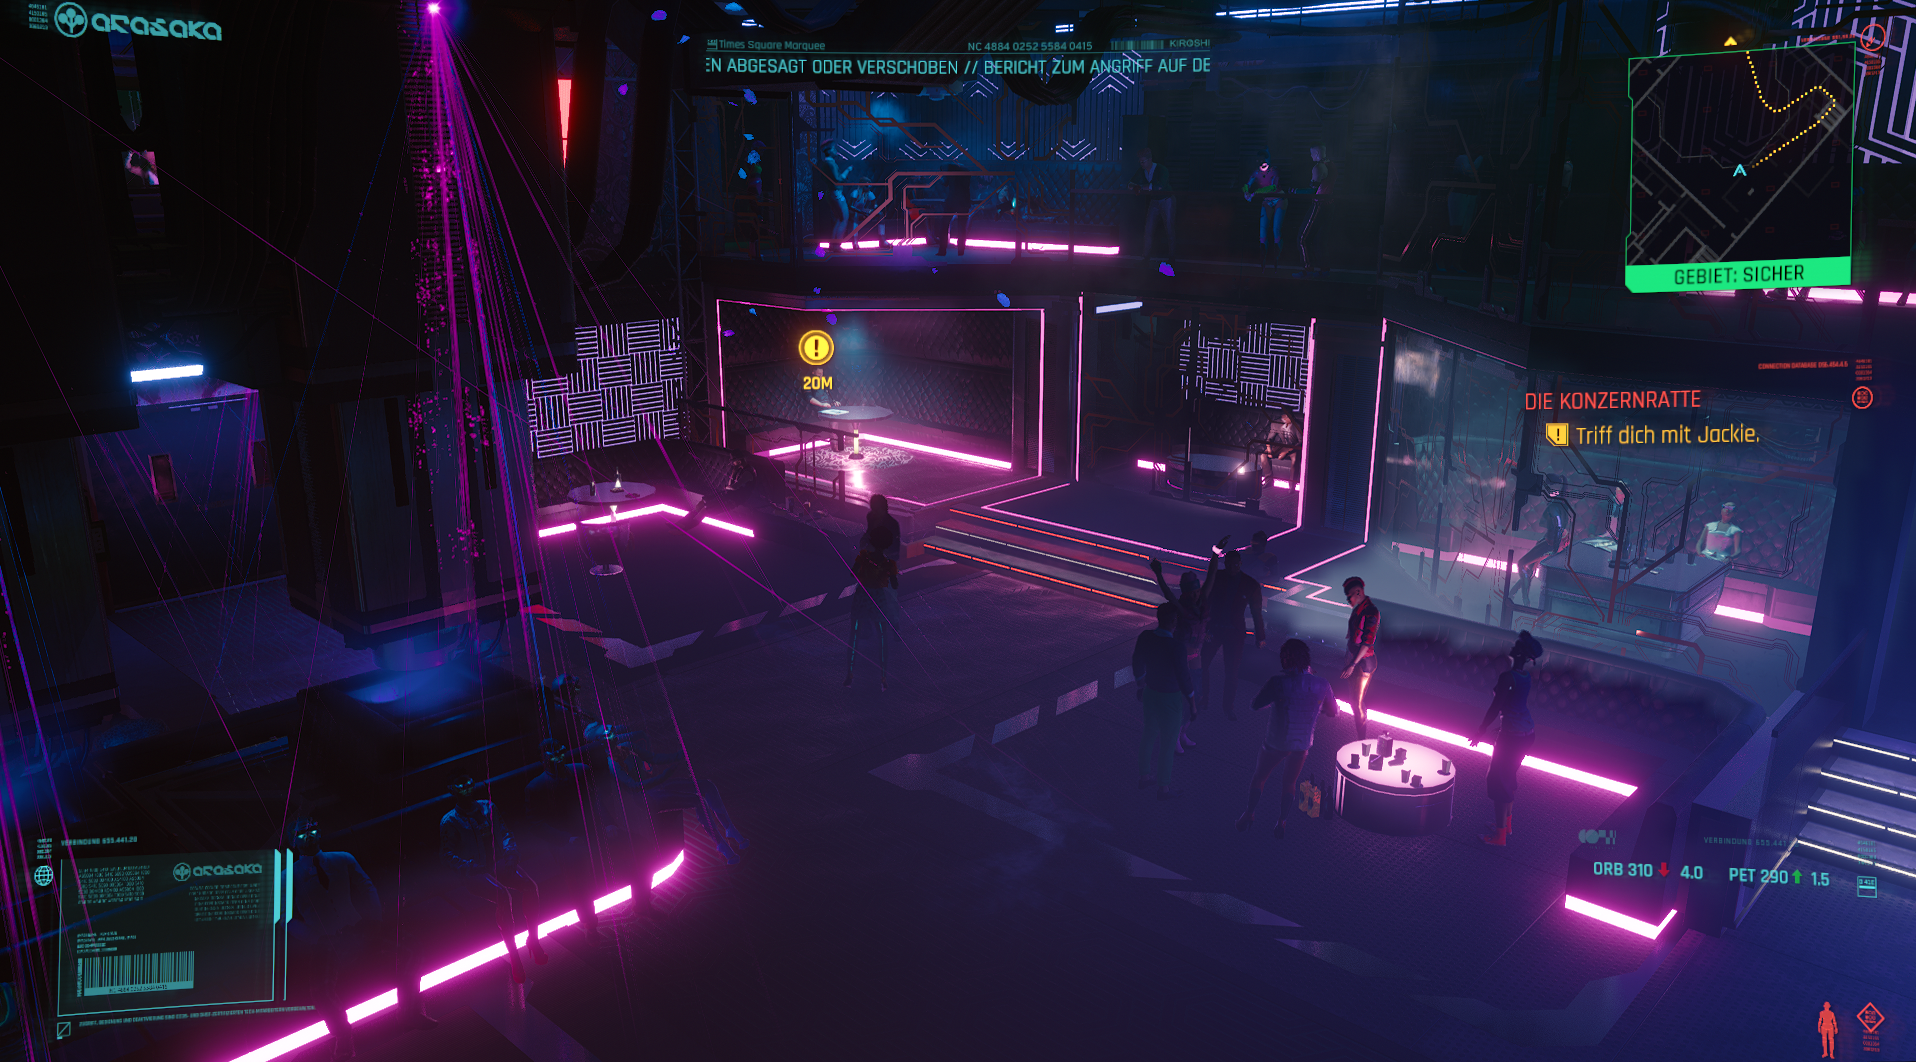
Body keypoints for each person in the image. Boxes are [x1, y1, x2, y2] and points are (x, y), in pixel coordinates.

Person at [587, 721, 748, 865]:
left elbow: (654, 758)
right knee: (697, 800)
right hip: (647, 797)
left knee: (707, 786)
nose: (614, 734)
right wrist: (663, 776)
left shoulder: (627, 746)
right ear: (601, 742)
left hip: (658, 784)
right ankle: (721, 844)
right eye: (608, 734)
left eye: (612, 731)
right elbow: (634, 786)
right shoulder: (612, 764)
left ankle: (730, 829)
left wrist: (677, 756)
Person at [440, 776, 547, 984]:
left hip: (499, 863)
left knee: (529, 886)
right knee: (503, 896)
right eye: (460, 786)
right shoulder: (450, 821)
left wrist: (510, 854)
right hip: (475, 871)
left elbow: (505, 832)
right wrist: (470, 866)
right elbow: (447, 855)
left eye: (468, 784)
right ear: (452, 790)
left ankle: (533, 939)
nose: (466, 790)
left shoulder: (488, 807)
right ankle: (515, 957)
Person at [290, 818, 380, 1060]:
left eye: (313, 832)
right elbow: (282, 916)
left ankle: (410, 1009)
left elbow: (367, 886)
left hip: (357, 929)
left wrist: (374, 920)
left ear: (320, 833)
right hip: (325, 942)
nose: (308, 838)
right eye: (302, 835)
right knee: (320, 991)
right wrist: (314, 938)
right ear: (294, 841)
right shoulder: (288, 875)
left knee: (407, 951)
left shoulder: (343, 858)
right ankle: (343, 1036)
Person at [1237, 640, 1339, 839]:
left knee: (1260, 777)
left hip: (1276, 742)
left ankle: (1249, 813)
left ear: (1285, 659)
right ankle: (1281, 822)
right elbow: (1333, 711)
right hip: (1302, 744)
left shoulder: (1278, 682)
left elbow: (1255, 705)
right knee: (1290, 783)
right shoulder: (1322, 684)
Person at [522, 739, 607, 945]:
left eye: (559, 750)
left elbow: (596, 801)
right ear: (543, 758)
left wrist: (607, 824)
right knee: (579, 883)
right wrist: (566, 839)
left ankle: (640, 905)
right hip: (566, 843)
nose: (558, 754)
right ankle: (590, 925)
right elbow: (535, 824)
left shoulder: (581, 770)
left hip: (591, 833)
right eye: (552, 752)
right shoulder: (536, 787)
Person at [1470, 631, 1544, 846]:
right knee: (1508, 777)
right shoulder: (1525, 676)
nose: (1512, 647)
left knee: (1498, 781)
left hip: (1512, 737)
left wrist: (1481, 730)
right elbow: (1513, 705)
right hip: (1526, 733)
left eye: (1516, 645)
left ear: (1519, 654)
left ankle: (1499, 836)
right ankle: (1506, 825)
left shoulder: (1507, 677)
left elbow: (1496, 707)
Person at [1151, 538, 1224, 752]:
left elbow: (1211, 576)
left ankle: (1182, 733)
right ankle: (1173, 736)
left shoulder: (1202, 602)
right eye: (1192, 592)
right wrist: (1158, 574)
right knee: (1182, 699)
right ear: (1185, 592)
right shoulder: (1182, 608)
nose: (1196, 594)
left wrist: (1215, 553)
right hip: (1180, 657)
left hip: (1195, 657)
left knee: (1196, 697)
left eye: (1197, 591)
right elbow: (1168, 594)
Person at [1133, 602, 1196, 799]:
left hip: (1150, 692)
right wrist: (1192, 702)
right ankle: (1164, 787)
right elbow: (1184, 677)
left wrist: (1140, 683)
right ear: (1174, 622)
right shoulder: (1177, 647)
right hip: (1170, 698)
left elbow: (1137, 660)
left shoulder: (1145, 636)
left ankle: (1144, 776)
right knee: (1168, 743)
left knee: (1149, 734)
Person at [1199, 546, 1266, 719]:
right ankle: (1206, 700)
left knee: (1230, 671)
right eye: (1229, 565)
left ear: (1240, 564)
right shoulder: (1245, 582)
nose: (1232, 568)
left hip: (1229, 632)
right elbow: (1205, 600)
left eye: (1235, 565)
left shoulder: (1249, 584)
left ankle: (1224, 706)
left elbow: (1256, 612)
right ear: (1226, 563)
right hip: (1217, 629)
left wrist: (1260, 636)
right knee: (1204, 665)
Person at [682, 437, 792, 527]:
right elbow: (731, 485)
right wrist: (733, 474)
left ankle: (688, 525)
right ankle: (685, 520)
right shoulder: (740, 469)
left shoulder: (748, 472)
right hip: (731, 494)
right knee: (703, 501)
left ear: (739, 461)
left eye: (734, 462)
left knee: (707, 509)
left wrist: (727, 487)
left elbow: (734, 487)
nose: (733, 464)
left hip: (738, 498)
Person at [846, 541, 899, 689]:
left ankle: (850, 674)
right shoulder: (889, 563)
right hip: (878, 597)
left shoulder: (863, 557)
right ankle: (883, 678)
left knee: (854, 635)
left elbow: (853, 573)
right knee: (882, 637)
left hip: (862, 596)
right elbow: (894, 584)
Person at [1516, 474, 1573, 601]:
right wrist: (1563, 478)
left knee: (1521, 564)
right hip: (1556, 540)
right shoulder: (1560, 501)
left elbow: (1558, 528)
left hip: (1553, 543)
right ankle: (1516, 593)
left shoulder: (1554, 507)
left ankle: (1525, 598)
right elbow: (1564, 490)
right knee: (1530, 567)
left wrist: (1554, 549)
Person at [1340, 576, 1379, 740]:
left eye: (1349, 596)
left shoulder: (1371, 612)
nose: (1348, 599)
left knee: (1356, 703)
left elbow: (1367, 643)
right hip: (1354, 659)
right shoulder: (1358, 609)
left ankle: (1362, 741)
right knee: (1354, 701)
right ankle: (1361, 736)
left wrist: (1352, 664)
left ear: (1358, 592)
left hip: (1363, 663)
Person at [1128, 147, 1176, 264]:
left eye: (1143, 161)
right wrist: (1136, 187)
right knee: (1148, 229)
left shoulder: (1162, 169)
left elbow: (1159, 186)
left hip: (1167, 200)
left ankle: (1172, 256)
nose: (1141, 164)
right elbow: (1130, 184)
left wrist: (1140, 187)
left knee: (1169, 228)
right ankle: (1146, 256)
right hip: (1154, 200)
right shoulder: (1142, 171)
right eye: (1140, 162)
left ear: (1150, 159)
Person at [1242, 150, 1285, 267]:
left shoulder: (1274, 170)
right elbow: (1247, 184)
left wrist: (1255, 192)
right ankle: (1263, 258)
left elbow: (1273, 187)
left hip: (1279, 198)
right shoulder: (1256, 172)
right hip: (1266, 200)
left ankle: (1278, 258)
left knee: (1276, 230)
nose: (1263, 163)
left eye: (1265, 160)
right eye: (1260, 160)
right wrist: (1246, 192)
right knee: (1262, 232)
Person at [1296, 144, 1331, 271]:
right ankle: (1323, 270)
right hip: (1328, 205)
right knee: (1319, 239)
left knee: (1302, 238)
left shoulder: (1319, 167)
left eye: (1312, 153)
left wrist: (1295, 191)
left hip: (1320, 204)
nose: (1310, 156)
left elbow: (1313, 190)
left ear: (1316, 153)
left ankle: (1307, 269)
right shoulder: (1331, 165)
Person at [932, 163, 973, 256]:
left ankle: (942, 250)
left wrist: (940, 178)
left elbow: (945, 183)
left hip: (952, 202)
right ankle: (961, 251)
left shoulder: (950, 170)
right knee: (962, 227)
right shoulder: (967, 171)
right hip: (964, 202)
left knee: (944, 225)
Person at [819, 139, 851, 248]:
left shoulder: (826, 163)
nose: (835, 150)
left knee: (839, 219)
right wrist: (848, 170)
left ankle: (834, 245)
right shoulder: (830, 163)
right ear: (829, 150)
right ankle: (837, 245)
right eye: (833, 148)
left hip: (831, 193)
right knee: (844, 219)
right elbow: (838, 179)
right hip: (836, 193)